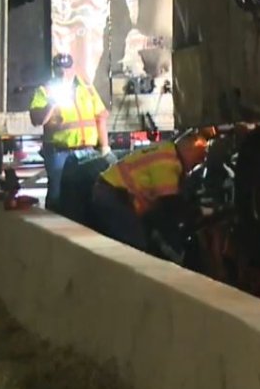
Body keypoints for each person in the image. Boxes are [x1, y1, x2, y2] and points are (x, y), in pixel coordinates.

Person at [90, 132, 210, 252]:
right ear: (188, 151)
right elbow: (170, 204)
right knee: (136, 245)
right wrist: (200, 212)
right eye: (199, 157)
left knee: (145, 237)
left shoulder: (167, 150)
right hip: (113, 195)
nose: (201, 161)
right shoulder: (167, 162)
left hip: (113, 191)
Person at [29, 53, 111, 213]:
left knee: (87, 191)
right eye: (60, 69)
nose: (63, 73)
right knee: (57, 194)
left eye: (67, 69)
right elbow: (37, 120)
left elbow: (100, 117)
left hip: (87, 151)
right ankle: (54, 225)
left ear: (73, 68)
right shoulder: (45, 90)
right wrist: (52, 103)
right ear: (54, 69)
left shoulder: (87, 89)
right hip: (60, 152)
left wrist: (105, 147)